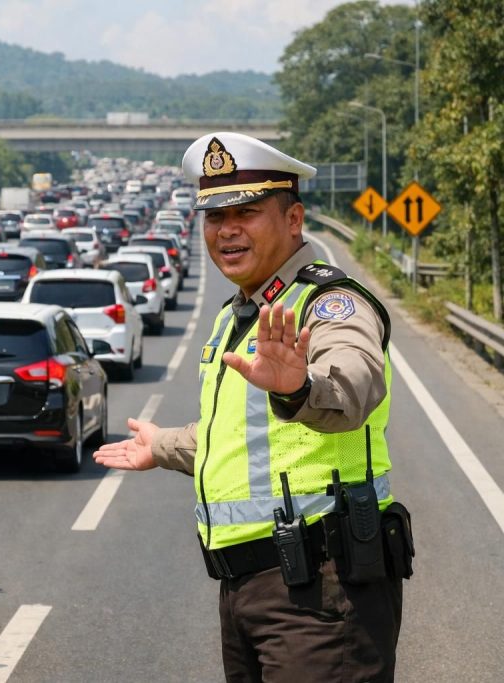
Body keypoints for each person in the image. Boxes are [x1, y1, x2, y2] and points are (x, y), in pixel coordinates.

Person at [94, 132, 412, 682]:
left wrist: (297, 387)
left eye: (246, 212)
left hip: (322, 594)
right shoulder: (236, 314)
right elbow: (238, 434)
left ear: (294, 220)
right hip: (247, 591)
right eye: (214, 217)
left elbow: (353, 386)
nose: (227, 230)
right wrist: (161, 444)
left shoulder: (329, 303)